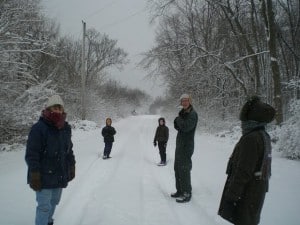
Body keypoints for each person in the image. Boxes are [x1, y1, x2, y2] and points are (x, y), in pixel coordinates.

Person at [218, 96, 275, 225]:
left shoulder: (251, 138)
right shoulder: (263, 135)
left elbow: (243, 171)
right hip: (256, 191)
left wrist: (231, 197)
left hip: (247, 194)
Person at [25, 94, 76, 225]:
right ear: (48, 109)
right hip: (43, 176)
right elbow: (32, 154)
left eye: (60, 108)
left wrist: (72, 166)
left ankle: (48, 221)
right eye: (54, 107)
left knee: (54, 202)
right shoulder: (39, 128)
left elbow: (69, 150)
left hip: (59, 174)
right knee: (44, 207)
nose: (57, 111)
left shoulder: (66, 128)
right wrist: (34, 174)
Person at [172, 94, 198, 203]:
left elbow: (186, 127)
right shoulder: (182, 113)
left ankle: (187, 193)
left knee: (184, 169)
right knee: (177, 168)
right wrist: (178, 121)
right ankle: (180, 191)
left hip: (187, 145)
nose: (184, 102)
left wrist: (178, 120)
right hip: (180, 145)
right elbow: (177, 126)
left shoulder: (193, 114)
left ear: (190, 101)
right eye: (182, 101)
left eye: (186, 100)